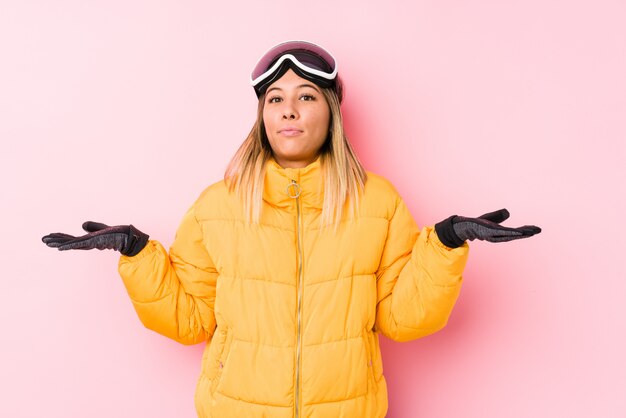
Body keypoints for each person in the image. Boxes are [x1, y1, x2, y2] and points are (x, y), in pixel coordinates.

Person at [42, 40, 541, 418]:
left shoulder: (377, 202)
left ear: (331, 111)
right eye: (275, 98)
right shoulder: (219, 205)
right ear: (261, 115)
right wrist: (138, 254)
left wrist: (446, 244)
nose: (289, 109)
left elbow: (402, 318)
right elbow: (189, 320)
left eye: (306, 95)